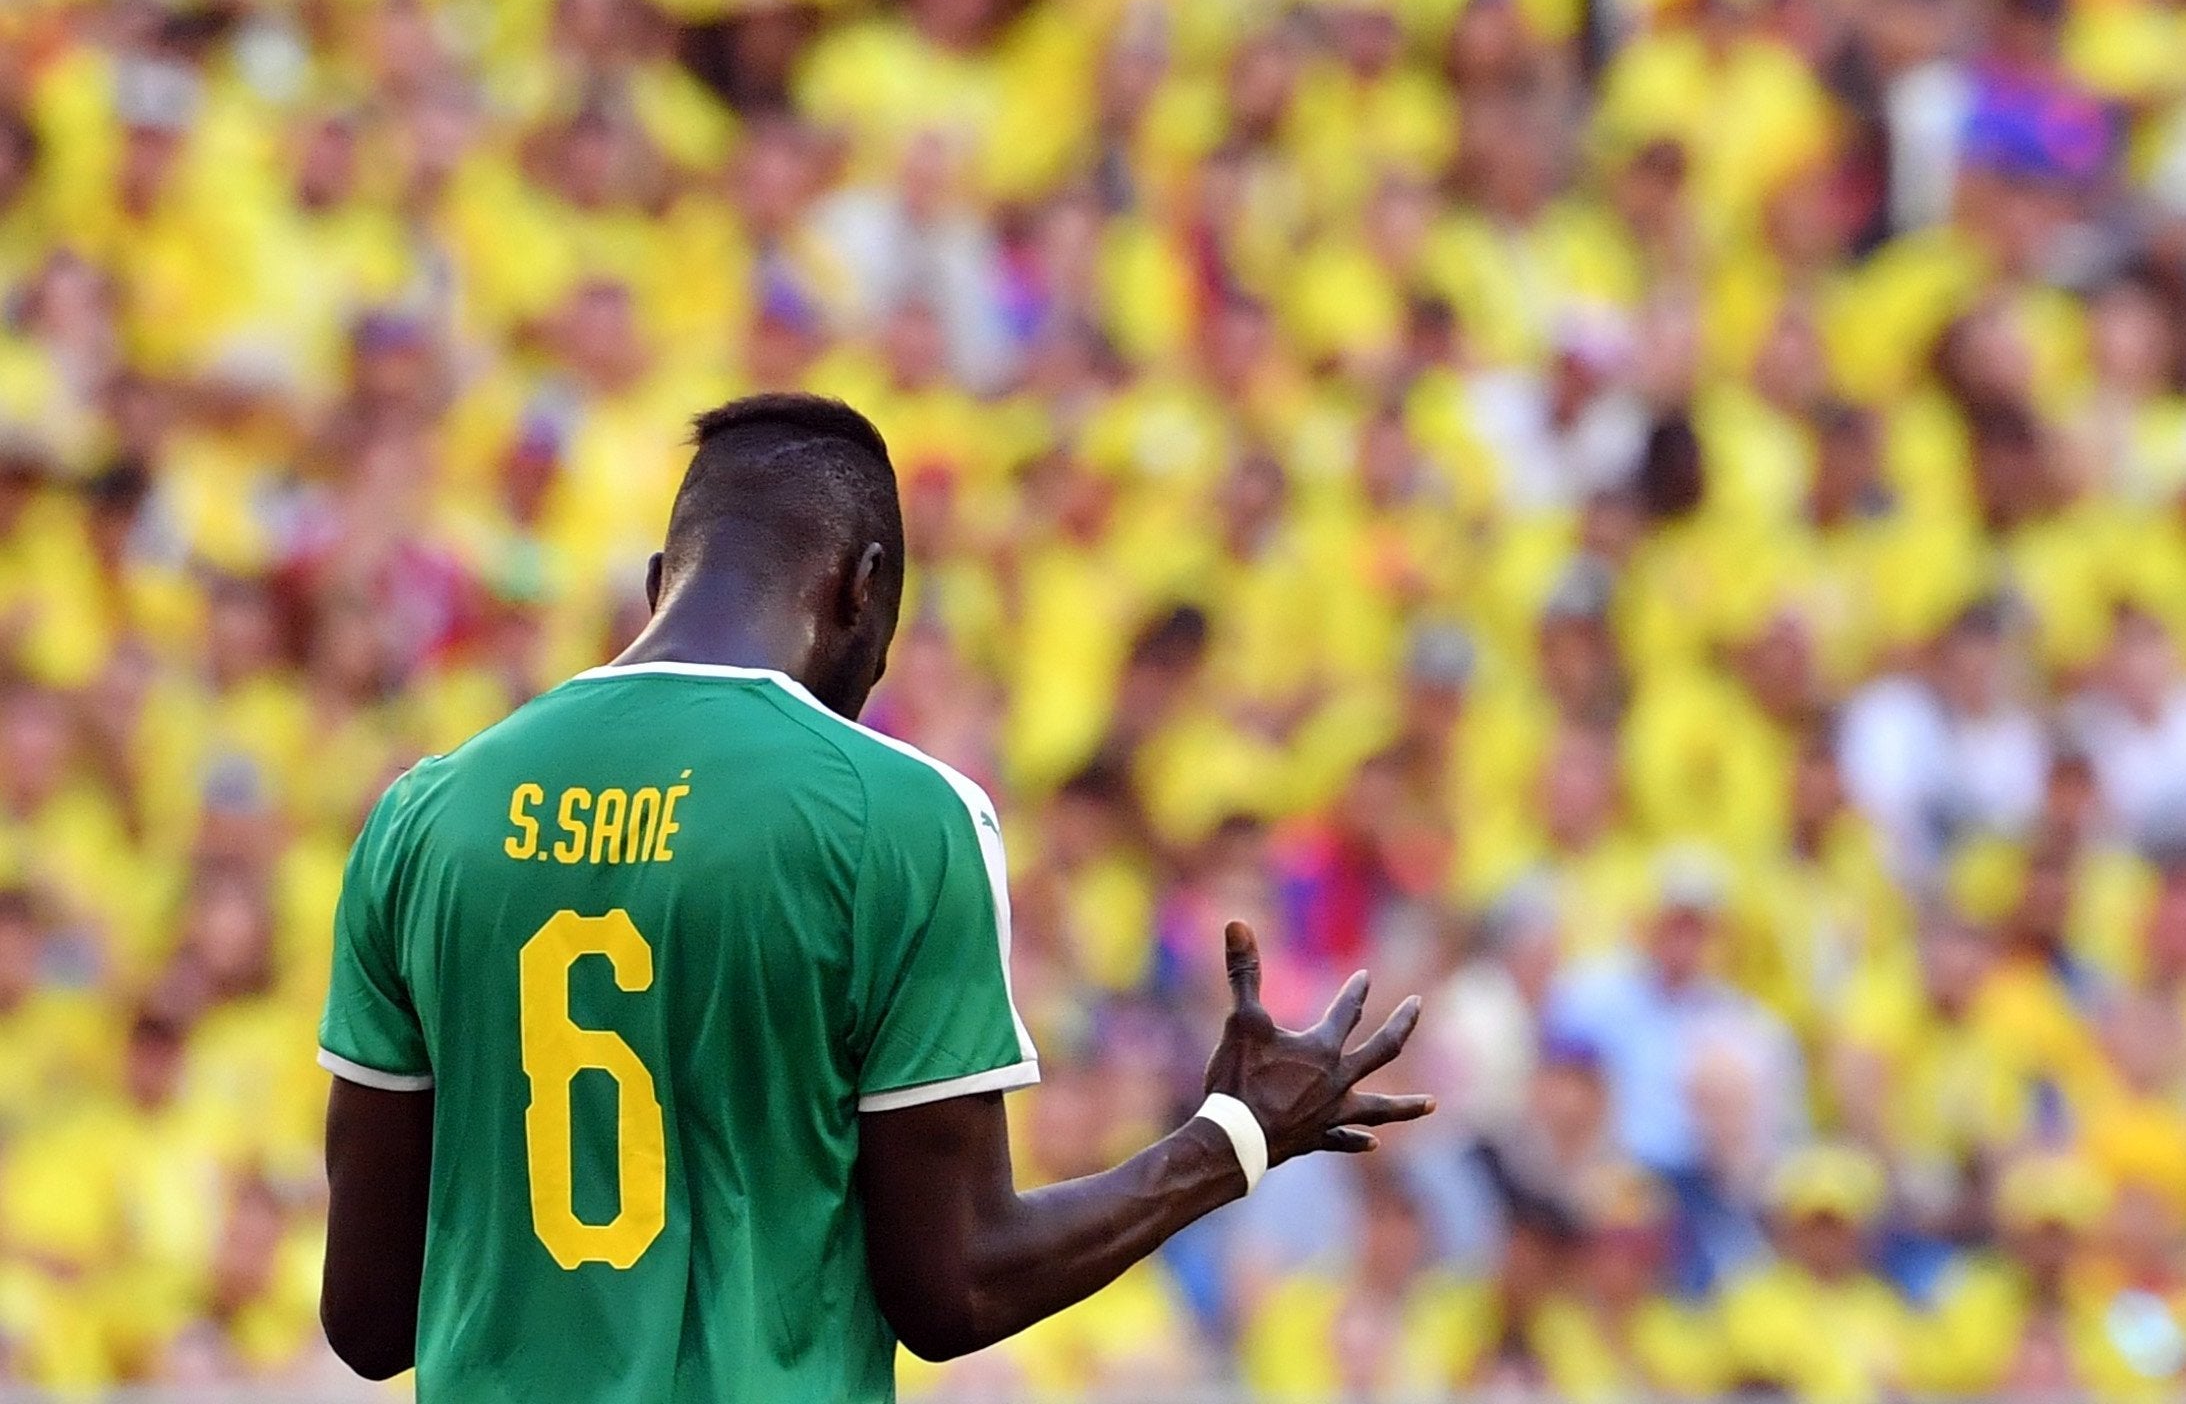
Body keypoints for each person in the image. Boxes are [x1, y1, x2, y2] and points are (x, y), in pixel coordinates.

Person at [315, 392, 1433, 1400]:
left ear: (664, 580)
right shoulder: (897, 817)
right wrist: (1229, 1134)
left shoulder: (424, 815)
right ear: (864, 589)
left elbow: (366, 1321)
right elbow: (950, 1289)